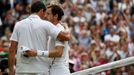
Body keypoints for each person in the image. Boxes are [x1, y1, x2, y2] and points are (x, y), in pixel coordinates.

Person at [8, 1, 71, 75]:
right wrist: (67, 29)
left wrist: (11, 71)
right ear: (41, 11)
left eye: (48, 14)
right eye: (45, 13)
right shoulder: (46, 25)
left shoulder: (18, 25)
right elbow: (66, 37)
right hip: (42, 70)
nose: (45, 16)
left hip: (22, 70)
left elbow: (12, 50)